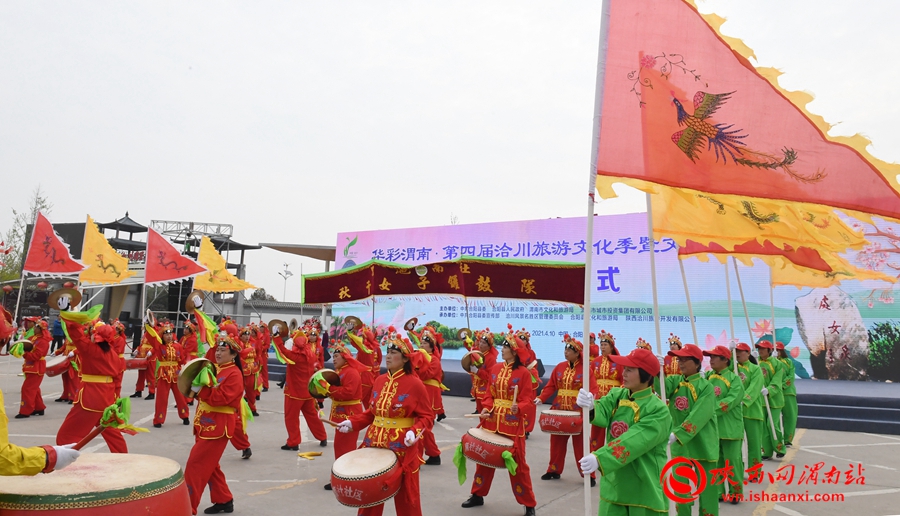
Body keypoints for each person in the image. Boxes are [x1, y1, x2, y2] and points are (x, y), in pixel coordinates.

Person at [337, 328, 433, 516]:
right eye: (387, 352)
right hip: (373, 443)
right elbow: (372, 414)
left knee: (408, 499)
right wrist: (352, 423)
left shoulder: (415, 384)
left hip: (402, 447)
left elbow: (427, 417)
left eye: (394, 353)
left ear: (405, 359)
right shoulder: (379, 380)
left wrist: (414, 431)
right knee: (370, 493)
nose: (388, 357)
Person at [577, 347, 672, 516]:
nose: (624, 373)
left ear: (646, 374)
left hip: (644, 490)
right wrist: (591, 406)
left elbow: (635, 440)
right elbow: (603, 409)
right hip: (614, 487)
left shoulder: (659, 410)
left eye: (630, 370)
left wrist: (600, 458)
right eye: (624, 369)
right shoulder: (617, 395)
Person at [461, 327, 536, 516]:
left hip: (511, 423)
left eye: (506, 347)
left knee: (517, 464)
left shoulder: (523, 374)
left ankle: (528, 503)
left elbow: (527, 400)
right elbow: (489, 395)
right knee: (484, 459)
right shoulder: (495, 369)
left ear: (514, 351)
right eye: (502, 347)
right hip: (492, 420)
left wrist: (518, 408)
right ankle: (477, 494)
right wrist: (486, 408)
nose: (501, 350)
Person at [183, 332, 244, 515]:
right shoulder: (215, 369)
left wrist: (200, 390)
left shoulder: (234, 374)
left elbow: (222, 398)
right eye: (217, 349)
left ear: (233, 355)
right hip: (204, 424)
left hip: (218, 427)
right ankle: (224, 499)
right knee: (211, 466)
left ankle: (186, 507)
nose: (218, 353)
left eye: (223, 350)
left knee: (195, 466)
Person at [660, 343, 720, 516]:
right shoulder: (674, 381)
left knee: (708, 490)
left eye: (685, 359)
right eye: (679, 359)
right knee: (680, 490)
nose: (681, 363)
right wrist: (657, 373)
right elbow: (659, 388)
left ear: (697, 363)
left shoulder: (706, 387)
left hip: (703, 444)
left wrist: (678, 433)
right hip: (680, 446)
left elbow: (700, 414)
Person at [56, 315, 128, 453]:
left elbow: (76, 336)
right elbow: (117, 380)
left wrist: (69, 316)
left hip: (91, 398)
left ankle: (67, 460)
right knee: (111, 433)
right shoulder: (113, 354)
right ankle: (123, 459)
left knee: (66, 435)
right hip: (107, 398)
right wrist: (116, 399)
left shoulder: (91, 350)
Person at [535, 334, 597, 485]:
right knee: (556, 441)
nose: (566, 352)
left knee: (581, 444)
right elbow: (551, 386)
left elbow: (593, 389)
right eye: (565, 349)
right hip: (560, 409)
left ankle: (589, 475)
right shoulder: (559, 367)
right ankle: (553, 470)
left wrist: (590, 403)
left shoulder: (586, 369)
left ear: (577, 353)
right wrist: (541, 398)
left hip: (577, 411)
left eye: (569, 350)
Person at [272, 328, 328, 450]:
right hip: (308, 393)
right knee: (313, 416)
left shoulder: (294, 356)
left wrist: (276, 336)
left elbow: (282, 350)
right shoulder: (312, 355)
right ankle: (322, 437)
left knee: (291, 418)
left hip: (294, 393)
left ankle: (293, 442)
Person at [321, 342, 366, 491]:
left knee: (345, 448)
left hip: (349, 414)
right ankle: (343, 477)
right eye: (333, 356)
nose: (333, 359)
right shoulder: (341, 371)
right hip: (343, 413)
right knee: (341, 447)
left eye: (336, 356)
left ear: (345, 358)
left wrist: (329, 389)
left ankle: (344, 479)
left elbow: (348, 392)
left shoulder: (350, 372)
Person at [703, 345, 745, 504]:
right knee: (716, 461)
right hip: (712, 429)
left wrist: (707, 410)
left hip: (730, 428)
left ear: (725, 360)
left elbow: (732, 400)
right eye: (710, 357)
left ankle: (736, 492)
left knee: (732, 460)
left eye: (714, 357)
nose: (711, 360)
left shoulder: (734, 379)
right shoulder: (707, 376)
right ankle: (719, 491)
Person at [409, 324, 446, 465]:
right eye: (422, 343)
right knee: (422, 427)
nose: (422, 345)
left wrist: (418, 367)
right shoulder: (419, 356)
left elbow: (426, 374)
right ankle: (433, 454)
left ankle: (419, 457)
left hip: (429, 394)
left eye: (425, 343)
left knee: (423, 425)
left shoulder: (434, 360)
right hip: (419, 391)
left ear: (431, 346)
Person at [144, 320, 190, 428]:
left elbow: (182, 360)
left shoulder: (178, 346)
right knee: (162, 398)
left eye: (170, 334)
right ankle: (158, 420)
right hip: (163, 374)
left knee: (180, 396)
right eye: (166, 334)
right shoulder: (159, 346)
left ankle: (185, 416)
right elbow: (152, 337)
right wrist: (149, 325)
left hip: (176, 373)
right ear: (162, 336)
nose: (169, 336)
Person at [589, 330, 622, 451]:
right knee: (597, 425)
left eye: (605, 345)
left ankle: (613, 451)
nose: (602, 347)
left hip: (614, 399)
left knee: (615, 425)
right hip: (599, 399)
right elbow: (590, 378)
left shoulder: (618, 361)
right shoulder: (595, 362)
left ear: (611, 346)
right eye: (601, 345)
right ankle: (595, 452)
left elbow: (624, 380)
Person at [735, 342, 764, 472]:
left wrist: (742, 400)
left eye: (740, 351)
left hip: (752, 411)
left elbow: (755, 387)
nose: (737, 354)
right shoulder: (733, 368)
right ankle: (738, 471)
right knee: (735, 445)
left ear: (748, 353)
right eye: (735, 351)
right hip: (735, 412)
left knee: (754, 443)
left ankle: (754, 471)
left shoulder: (755, 369)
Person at [756, 339, 786, 459]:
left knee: (772, 424)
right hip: (761, 400)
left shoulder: (778, 364)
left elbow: (777, 380)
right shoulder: (756, 363)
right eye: (759, 348)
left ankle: (780, 448)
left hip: (774, 400)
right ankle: (767, 451)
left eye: (763, 349)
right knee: (763, 426)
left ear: (769, 350)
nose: (760, 351)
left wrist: (770, 389)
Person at [17, 319, 50, 418]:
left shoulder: (44, 342)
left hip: (37, 368)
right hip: (30, 367)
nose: (34, 328)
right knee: (34, 389)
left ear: (40, 329)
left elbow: (37, 355)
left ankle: (25, 411)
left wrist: (25, 354)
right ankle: (39, 408)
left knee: (27, 389)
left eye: (36, 327)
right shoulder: (33, 338)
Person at [347, 327, 377, 408]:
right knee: (368, 403)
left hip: (364, 377)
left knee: (356, 400)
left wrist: (350, 332)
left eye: (363, 337)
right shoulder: (370, 347)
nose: (361, 338)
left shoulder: (365, 348)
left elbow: (355, 343)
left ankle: (353, 418)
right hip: (369, 377)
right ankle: (371, 419)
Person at [470, 329, 499, 415]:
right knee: (480, 414)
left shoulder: (491, 358)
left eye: (484, 343)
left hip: (485, 391)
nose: (480, 344)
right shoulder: (477, 353)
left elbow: (489, 376)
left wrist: (477, 371)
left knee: (486, 415)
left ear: (489, 346)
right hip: (477, 388)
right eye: (480, 342)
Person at [776, 343, 798, 447]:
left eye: (778, 350)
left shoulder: (788, 362)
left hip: (787, 392)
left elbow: (791, 376)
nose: (776, 352)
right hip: (774, 394)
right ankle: (776, 439)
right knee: (773, 418)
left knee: (790, 416)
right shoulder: (770, 363)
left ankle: (787, 439)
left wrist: (781, 386)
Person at [237, 327, 260, 417]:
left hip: (252, 370)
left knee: (251, 391)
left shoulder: (251, 344)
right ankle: (238, 409)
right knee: (239, 391)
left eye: (248, 334)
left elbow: (257, 354)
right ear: (241, 336)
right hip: (243, 371)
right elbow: (239, 357)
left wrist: (257, 363)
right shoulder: (239, 345)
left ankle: (252, 408)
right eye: (244, 335)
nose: (247, 336)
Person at [129, 330, 156, 400]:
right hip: (142, 356)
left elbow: (157, 344)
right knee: (141, 375)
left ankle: (151, 392)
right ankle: (138, 390)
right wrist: (137, 349)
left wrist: (152, 351)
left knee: (150, 375)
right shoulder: (145, 333)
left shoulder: (155, 333)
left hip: (150, 357)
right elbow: (142, 344)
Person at [111, 320, 127, 398]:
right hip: (111, 360)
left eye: (117, 329)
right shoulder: (111, 338)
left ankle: (116, 398)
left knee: (117, 382)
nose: (115, 330)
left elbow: (117, 351)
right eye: (114, 328)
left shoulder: (120, 339)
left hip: (118, 362)